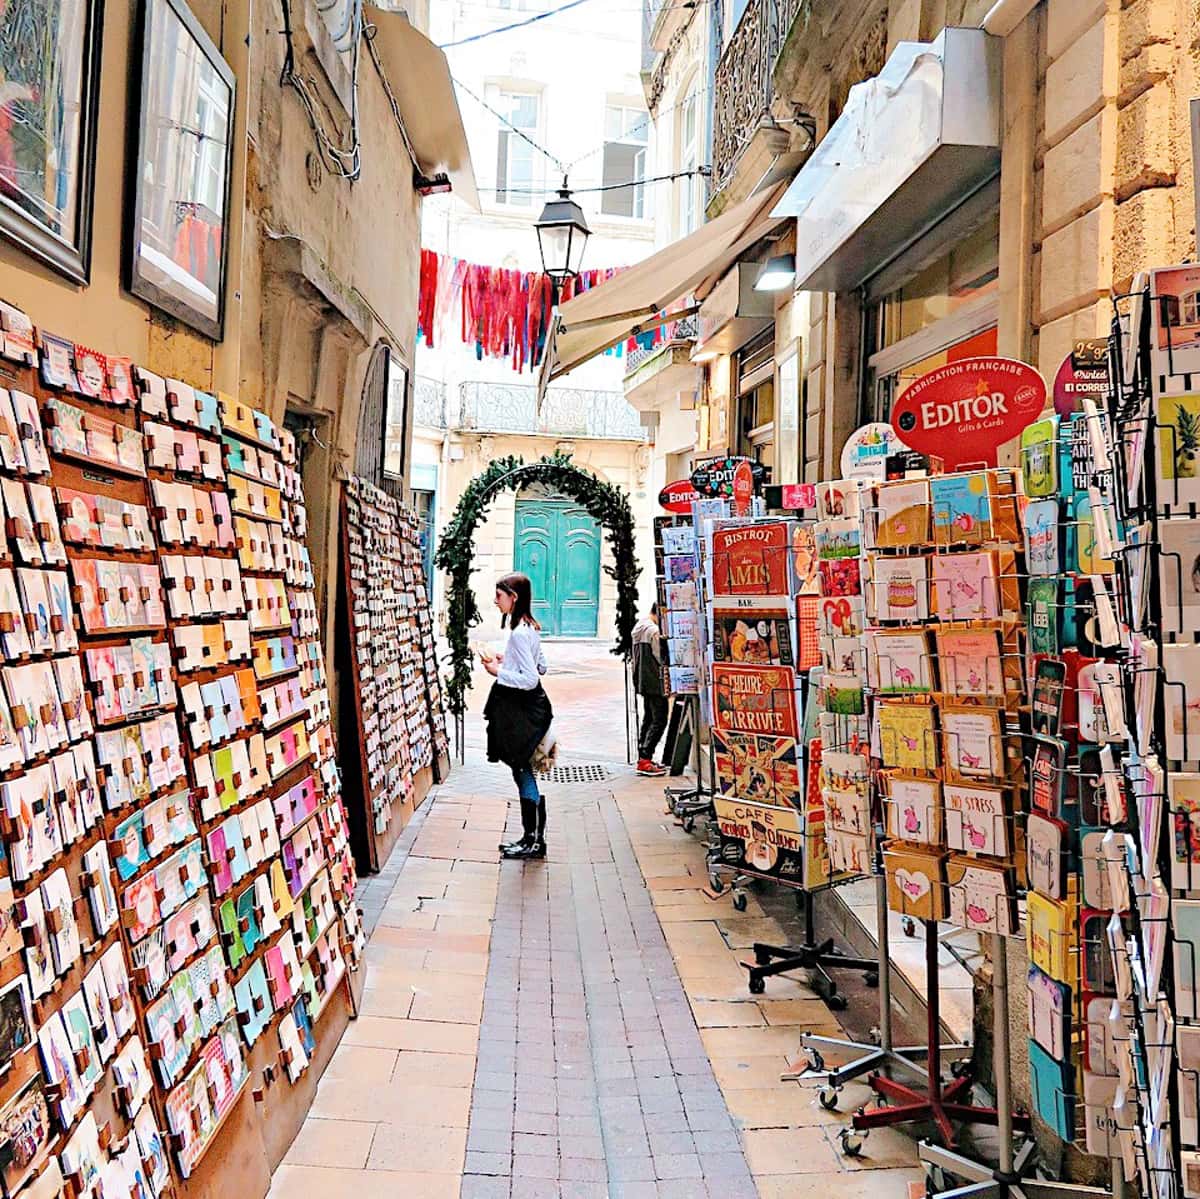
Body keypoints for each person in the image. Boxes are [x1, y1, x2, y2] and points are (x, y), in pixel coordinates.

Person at [482, 572, 553, 860]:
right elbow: (542, 665)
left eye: (499, 595)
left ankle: (533, 841)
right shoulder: (528, 627)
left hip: (522, 710)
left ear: (514, 597)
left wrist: (498, 671)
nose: (495, 600)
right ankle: (531, 838)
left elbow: (530, 679)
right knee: (521, 768)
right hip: (528, 709)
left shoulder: (521, 633)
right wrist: (506, 659)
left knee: (522, 768)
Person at [632, 602, 669, 777]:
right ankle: (646, 758)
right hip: (655, 680)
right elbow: (659, 656)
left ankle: (643, 757)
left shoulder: (640, 625)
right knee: (660, 719)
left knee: (649, 717)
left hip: (643, 679)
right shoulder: (653, 631)